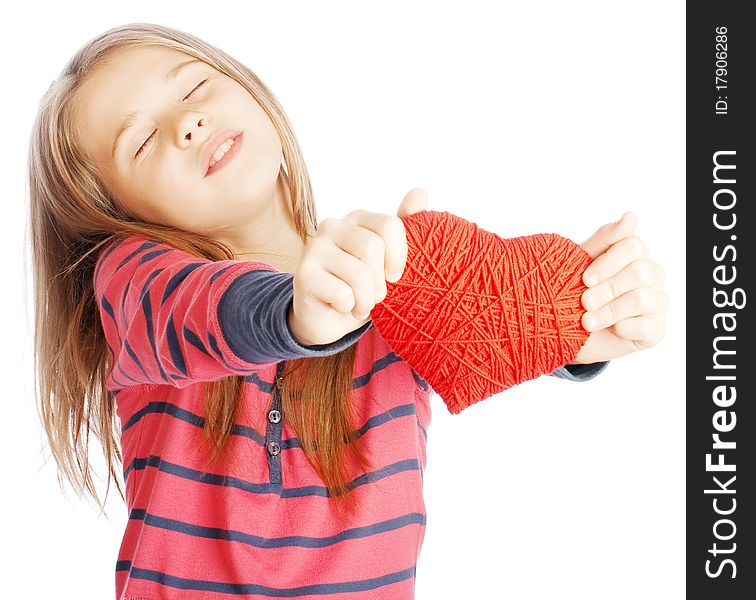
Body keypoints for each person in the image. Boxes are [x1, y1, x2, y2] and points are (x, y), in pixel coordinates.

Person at [27, 22, 668, 600]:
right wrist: (295, 314)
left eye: (195, 86)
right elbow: (204, 311)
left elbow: (482, 332)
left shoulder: (387, 281)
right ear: (115, 216)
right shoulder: (134, 292)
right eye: (141, 142)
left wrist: (579, 321)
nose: (186, 123)